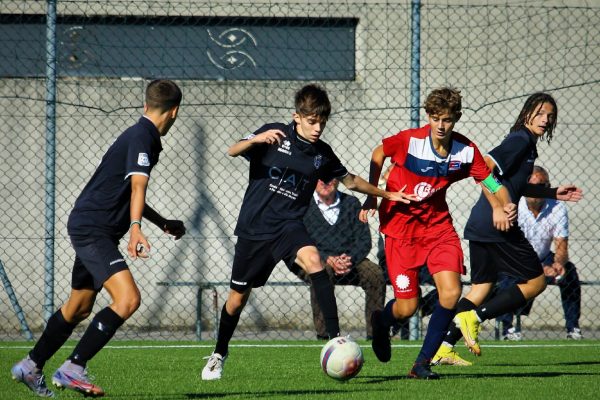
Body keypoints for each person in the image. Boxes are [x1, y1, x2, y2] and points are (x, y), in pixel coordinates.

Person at [200, 83, 409, 381]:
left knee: (314, 261)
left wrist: (385, 195)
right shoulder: (274, 135)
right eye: (312, 121)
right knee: (236, 300)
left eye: (322, 122)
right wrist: (256, 139)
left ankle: (335, 339)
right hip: (255, 230)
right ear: (296, 116)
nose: (317, 128)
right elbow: (232, 150)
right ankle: (219, 353)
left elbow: (350, 181)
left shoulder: (321, 154)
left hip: (290, 226)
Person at [10, 79, 186, 398]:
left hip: (91, 225)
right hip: (95, 229)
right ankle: (73, 367)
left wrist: (160, 222)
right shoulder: (143, 137)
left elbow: (127, 188)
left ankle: (30, 365)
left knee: (78, 307)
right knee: (128, 299)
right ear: (174, 112)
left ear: (146, 105)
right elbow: (136, 187)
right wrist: (135, 228)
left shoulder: (140, 134)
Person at [359, 87, 516, 379]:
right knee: (407, 307)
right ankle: (382, 321)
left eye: (447, 119)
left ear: (456, 118)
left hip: (438, 229)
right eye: (435, 118)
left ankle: (421, 364)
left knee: (452, 292)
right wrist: (373, 196)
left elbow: (491, 183)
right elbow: (378, 153)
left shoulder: (465, 150)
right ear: (428, 117)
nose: (441, 126)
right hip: (400, 229)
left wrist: (504, 205)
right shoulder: (409, 141)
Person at [434, 92, 583, 366]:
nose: (545, 119)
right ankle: (475, 318)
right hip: (496, 224)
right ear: (527, 113)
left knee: (479, 290)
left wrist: (551, 192)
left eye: (550, 116)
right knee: (536, 282)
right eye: (540, 113)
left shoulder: (527, 144)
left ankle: (442, 347)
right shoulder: (520, 140)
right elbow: (484, 168)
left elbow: (514, 184)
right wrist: (497, 207)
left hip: (480, 224)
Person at [289, 178, 386, 340]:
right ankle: (325, 334)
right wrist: (326, 258)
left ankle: (375, 333)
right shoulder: (303, 205)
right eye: (321, 178)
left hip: (350, 260)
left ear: (338, 180)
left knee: (375, 274)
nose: (325, 182)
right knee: (321, 272)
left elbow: (364, 240)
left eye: (330, 177)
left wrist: (350, 259)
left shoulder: (352, 203)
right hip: (315, 259)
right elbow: (298, 239)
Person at [496, 165, 582, 340]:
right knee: (506, 277)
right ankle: (507, 329)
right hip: (515, 258)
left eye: (541, 186)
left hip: (544, 257)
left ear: (548, 186)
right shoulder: (514, 205)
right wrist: (537, 268)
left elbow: (561, 245)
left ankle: (573, 328)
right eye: (531, 185)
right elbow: (509, 245)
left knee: (569, 273)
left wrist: (558, 264)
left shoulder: (557, 207)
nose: (535, 190)